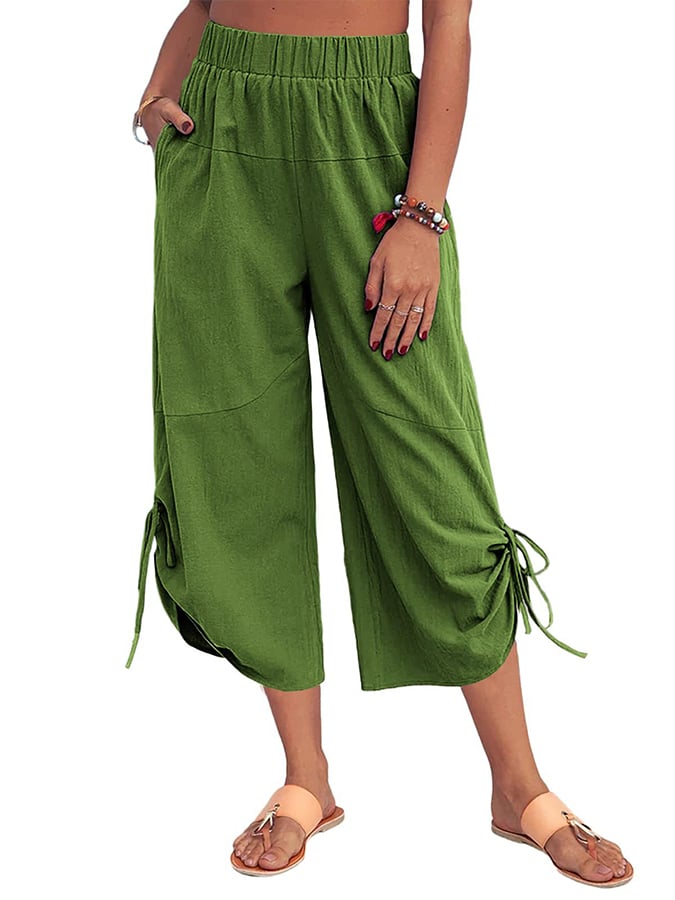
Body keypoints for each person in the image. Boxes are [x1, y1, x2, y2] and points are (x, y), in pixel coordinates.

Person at [127, 0, 632, 886]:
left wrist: (422, 215)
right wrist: (158, 95)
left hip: (371, 144)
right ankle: (305, 779)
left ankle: (518, 786)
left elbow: (448, 27)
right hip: (220, 133)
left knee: (431, 471)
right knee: (235, 457)